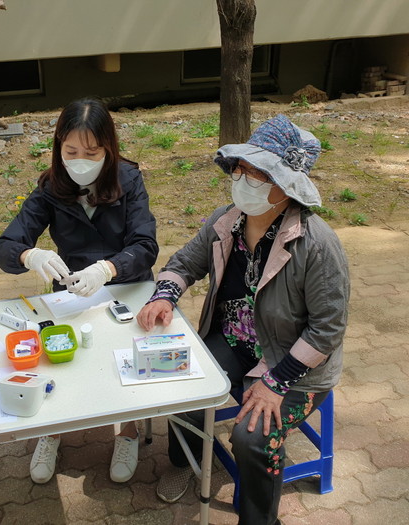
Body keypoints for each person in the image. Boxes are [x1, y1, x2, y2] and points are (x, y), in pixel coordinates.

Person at [137, 114, 350, 524]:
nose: (244, 180)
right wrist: (164, 296)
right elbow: (183, 263)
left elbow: (328, 330)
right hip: (236, 341)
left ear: (287, 185)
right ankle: (183, 462)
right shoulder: (227, 220)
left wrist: (276, 383)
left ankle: (260, 519)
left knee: (253, 439)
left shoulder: (317, 244)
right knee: (179, 381)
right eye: (241, 168)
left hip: (292, 364)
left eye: (260, 173)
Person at [0, 97, 158, 484]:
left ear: (108, 149)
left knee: (123, 359)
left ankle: (128, 431)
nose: (80, 161)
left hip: (126, 286)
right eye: (71, 151)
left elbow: (145, 245)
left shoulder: (129, 181)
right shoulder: (51, 187)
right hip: (71, 290)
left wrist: (108, 268)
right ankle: (52, 430)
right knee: (60, 356)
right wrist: (30, 255)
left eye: (91, 152)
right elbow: (5, 246)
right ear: (59, 147)